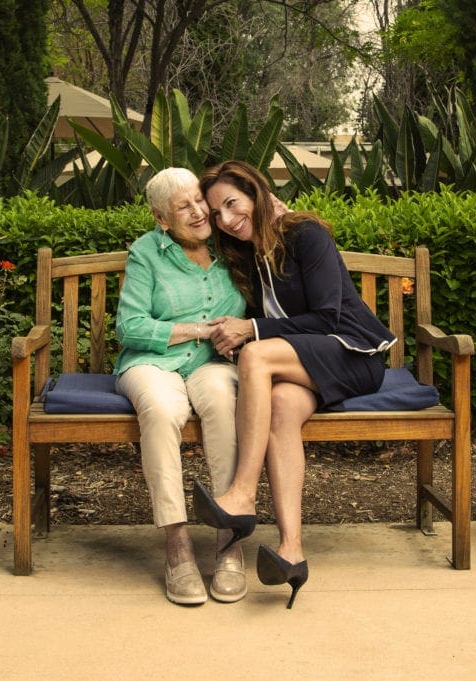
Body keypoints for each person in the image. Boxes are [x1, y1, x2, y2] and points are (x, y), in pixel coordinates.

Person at [192, 160, 396, 609]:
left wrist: (250, 330)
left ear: (255, 192)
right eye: (216, 213)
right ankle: (291, 552)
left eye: (232, 203)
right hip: (305, 365)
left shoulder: (305, 234)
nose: (226, 219)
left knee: (256, 353)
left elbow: (328, 317)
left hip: (353, 354)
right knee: (282, 406)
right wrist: (231, 331)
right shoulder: (249, 253)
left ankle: (243, 494)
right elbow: (271, 319)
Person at [113, 167, 247, 606]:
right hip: (153, 361)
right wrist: (197, 330)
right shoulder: (146, 252)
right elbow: (129, 326)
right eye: (182, 207)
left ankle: (230, 533)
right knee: (161, 408)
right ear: (161, 219)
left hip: (214, 363)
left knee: (223, 403)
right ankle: (178, 545)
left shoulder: (231, 245)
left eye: (197, 200)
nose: (197, 212)